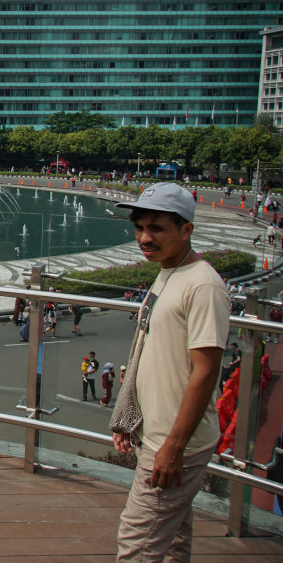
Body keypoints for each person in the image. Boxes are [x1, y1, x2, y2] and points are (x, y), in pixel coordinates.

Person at [112, 182, 229, 561]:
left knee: (137, 543)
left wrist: (173, 448)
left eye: (157, 228)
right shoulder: (169, 271)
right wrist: (131, 417)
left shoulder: (203, 285)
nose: (145, 238)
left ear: (187, 230)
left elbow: (205, 372)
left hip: (174, 442)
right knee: (175, 537)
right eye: (140, 227)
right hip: (158, 432)